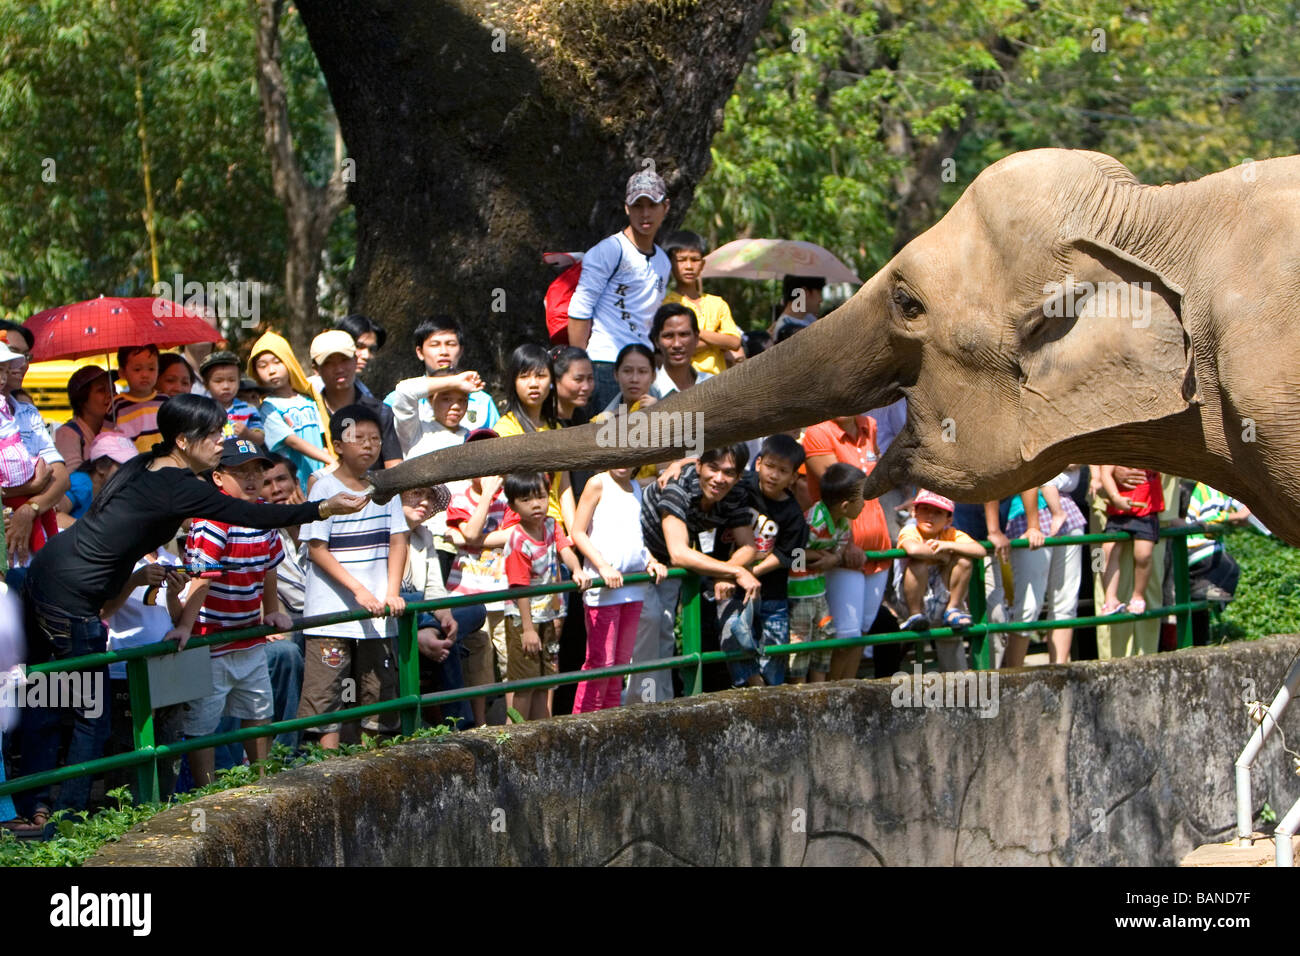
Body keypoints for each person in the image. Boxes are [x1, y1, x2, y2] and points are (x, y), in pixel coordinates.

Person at [16, 395, 363, 819]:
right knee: (92, 716)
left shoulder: (147, 464)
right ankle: (67, 821)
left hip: (50, 575)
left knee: (42, 695)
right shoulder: (179, 486)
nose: (222, 441)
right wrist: (324, 506)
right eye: (214, 434)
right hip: (70, 597)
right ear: (183, 440)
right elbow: (248, 514)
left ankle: (34, 806)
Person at [172, 439, 291, 785]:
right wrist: (185, 627)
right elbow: (201, 578)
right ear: (219, 478)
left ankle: (262, 783)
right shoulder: (213, 520)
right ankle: (207, 792)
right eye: (241, 471)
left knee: (258, 713)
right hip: (210, 642)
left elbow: (270, 567)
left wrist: (271, 611)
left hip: (249, 637)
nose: (252, 479)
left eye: (257, 470)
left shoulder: (264, 518)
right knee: (203, 724)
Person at [298, 405, 408, 749]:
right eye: (358, 438)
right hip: (331, 614)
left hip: (378, 614)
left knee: (376, 693)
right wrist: (359, 591)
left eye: (375, 439)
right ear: (338, 445)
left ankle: (371, 769)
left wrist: (391, 591)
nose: (368, 445)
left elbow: (398, 539)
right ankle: (326, 775)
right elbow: (317, 548)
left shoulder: (384, 488)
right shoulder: (323, 488)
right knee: (325, 697)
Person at [636, 446, 761, 704]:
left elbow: (749, 545)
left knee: (665, 634)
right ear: (699, 466)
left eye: (728, 473)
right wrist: (734, 570)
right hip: (638, 559)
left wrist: (726, 574)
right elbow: (680, 553)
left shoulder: (735, 492)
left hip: (667, 565)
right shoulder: (676, 486)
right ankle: (639, 708)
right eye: (713, 469)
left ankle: (664, 705)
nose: (719, 479)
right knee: (647, 634)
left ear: (738, 477)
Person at [567, 169, 672, 410]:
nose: (645, 214)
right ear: (627, 208)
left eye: (652, 205)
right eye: (637, 206)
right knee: (605, 442)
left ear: (665, 207)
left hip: (643, 370)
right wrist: (579, 365)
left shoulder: (664, 262)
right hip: (605, 364)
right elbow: (580, 307)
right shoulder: (610, 250)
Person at [568, 465, 667, 712]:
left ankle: (611, 721)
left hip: (633, 587)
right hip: (604, 591)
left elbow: (634, 536)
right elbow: (578, 532)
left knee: (620, 665)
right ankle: (584, 723)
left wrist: (651, 560)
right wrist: (602, 566)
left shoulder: (635, 487)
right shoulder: (597, 483)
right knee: (601, 663)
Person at [802, 414, 893, 680]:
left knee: (862, 633)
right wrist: (848, 544)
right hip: (844, 551)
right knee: (846, 635)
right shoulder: (818, 432)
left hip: (879, 549)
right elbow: (837, 492)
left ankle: (848, 698)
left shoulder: (872, 425)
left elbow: (873, 487)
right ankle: (831, 702)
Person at [719, 434, 808, 688]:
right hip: (734, 589)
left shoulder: (793, 515)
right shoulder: (741, 488)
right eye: (769, 466)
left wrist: (752, 571)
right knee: (733, 637)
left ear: (793, 477)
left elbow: (787, 555)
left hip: (772, 594)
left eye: (783, 471)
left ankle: (772, 690)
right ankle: (754, 686)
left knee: (774, 648)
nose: (774, 475)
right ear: (757, 463)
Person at [501, 472, 591, 721]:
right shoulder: (519, 541)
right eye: (527, 500)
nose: (536, 504)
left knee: (545, 680)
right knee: (525, 683)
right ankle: (515, 734)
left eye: (541, 497)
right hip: (523, 619)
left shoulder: (551, 525)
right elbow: (520, 588)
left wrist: (577, 569)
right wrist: (528, 629)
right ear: (513, 506)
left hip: (548, 616)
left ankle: (543, 731)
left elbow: (565, 550)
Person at [401, 484, 477, 730]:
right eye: (416, 493)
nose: (423, 502)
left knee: (475, 610)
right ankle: (460, 723)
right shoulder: (381, 533)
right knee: (450, 645)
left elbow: (435, 590)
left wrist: (444, 618)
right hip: (396, 614)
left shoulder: (423, 536)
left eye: (429, 498)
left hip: (422, 613)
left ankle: (428, 634)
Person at [444, 454, 510, 726]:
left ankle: (512, 722)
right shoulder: (459, 499)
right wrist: (486, 498)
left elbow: (510, 535)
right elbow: (469, 533)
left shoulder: (511, 498)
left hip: (505, 592)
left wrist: (468, 539)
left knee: (510, 662)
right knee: (477, 664)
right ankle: (480, 725)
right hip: (467, 595)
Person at [1000, 470, 1088, 666]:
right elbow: (1027, 472)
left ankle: (1059, 672)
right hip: (1025, 516)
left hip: (1068, 512)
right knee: (1028, 606)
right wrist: (1033, 525)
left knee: (1066, 602)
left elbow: (1075, 461)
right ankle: (1013, 678)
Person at [788, 463, 865, 684]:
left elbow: (839, 548)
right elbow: (793, 555)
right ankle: (799, 694)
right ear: (844, 505)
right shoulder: (814, 522)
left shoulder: (842, 523)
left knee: (825, 637)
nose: (864, 504)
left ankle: (820, 690)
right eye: (861, 500)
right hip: (799, 593)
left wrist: (834, 558)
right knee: (801, 644)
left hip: (818, 591)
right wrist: (817, 557)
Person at [895, 491, 986, 670]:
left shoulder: (950, 534)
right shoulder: (910, 529)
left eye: (937, 512)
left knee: (964, 560)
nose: (930, 516)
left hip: (941, 596)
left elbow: (980, 551)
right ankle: (915, 614)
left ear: (948, 519)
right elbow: (913, 550)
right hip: (912, 598)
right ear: (915, 512)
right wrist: (944, 558)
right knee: (918, 564)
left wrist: (948, 546)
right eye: (925, 510)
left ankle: (953, 609)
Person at [493, 343, 573, 528]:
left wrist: (573, 535)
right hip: (521, 528)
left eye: (541, 376)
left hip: (556, 528)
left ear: (552, 381)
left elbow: (564, 488)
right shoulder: (505, 429)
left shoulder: (558, 430)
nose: (534, 384)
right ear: (513, 382)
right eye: (524, 376)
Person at [260, 452, 309, 751]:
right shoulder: (258, 530)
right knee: (289, 649)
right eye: (267, 483)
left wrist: (299, 525)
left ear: (296, 483)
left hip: (322, 616)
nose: (276, 489)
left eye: (282, 480)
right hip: (287, 624)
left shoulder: (317, 524)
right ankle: (287, 751)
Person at [2, 346, 68, 567]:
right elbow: (47, 477)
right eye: (12, 356)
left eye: (24, 357)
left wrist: (30, 508)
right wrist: (34, 486)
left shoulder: (28, 414)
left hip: (36, 531)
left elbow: (60, 476)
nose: (21, 364)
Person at [249, 331, 335, 490]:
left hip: (323, 478)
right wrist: (331, 460)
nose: (271, 370)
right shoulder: (267, 408)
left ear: (289, 362)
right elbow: (293, 441)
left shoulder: (310, 400)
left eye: (277, 362)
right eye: (263, 366)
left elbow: (323, 438)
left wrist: (330, 462)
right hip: (295, 485)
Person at [386, 315, 498, 437]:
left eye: (451, 344)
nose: (444, 352)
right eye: (435, 345)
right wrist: (454, 382)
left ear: (460, 351)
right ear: (420, 352)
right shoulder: (395, 400)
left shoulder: (482, 401)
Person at [311, 330, 401, 470]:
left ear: (355, 360)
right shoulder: (309, 415)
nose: (339, 368)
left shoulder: (380, 412)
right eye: (329, 363)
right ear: (316, 369)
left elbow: (394, 468)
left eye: (344, 360)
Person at [661, 230, 742, 374]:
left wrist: (694, 333)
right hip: (684, 382)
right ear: (670, 263)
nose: (689, 266)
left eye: (694, 259)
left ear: (702, 264)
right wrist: (718, 339)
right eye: (681, 260)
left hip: (717, 381)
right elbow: (677, 349)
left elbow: (734, 342)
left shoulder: (717, 303)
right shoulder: (667, 305)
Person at [1098, 465, 1165, 616]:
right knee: (1102, 553)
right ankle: (1109, 598)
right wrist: (1115, 497)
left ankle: (1138, 596)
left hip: (1146, 510)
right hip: (1117, 510)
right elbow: (1105, 472)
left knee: (1144, 555)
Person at [56, 430, 138, 526]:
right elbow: (55, 516)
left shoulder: (119, 493)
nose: (130, 472)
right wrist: (93, 533)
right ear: (101, 466)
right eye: (123, 466)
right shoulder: (80, 483)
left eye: (133, 466)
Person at [54, 365, 115, 470]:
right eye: (101, 390)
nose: (111, 395)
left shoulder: (115, 429)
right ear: (82, 400)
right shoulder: (67, 434)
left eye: (112, 389)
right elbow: (74, 478)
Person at [200, 351, 265, 446]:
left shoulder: (248, 409)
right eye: (218, 381)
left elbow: (260, 438)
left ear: (239, 381)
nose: (226, 386)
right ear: (206, 384)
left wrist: (248, 434)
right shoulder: (201, 410)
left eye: (232, 380)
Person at [649, 303, 713, 399]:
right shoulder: (648, 390)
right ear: (656, 341)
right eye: (668, 336)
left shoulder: (711, 384)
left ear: (696, 338)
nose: (677, 344)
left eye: (683, 334)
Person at [110, 344, 166, 452]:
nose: (145, 374)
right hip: (132, 463)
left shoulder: (164, 401)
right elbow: (107, 437)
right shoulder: (117, 404)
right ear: (122, 373)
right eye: (137, 369)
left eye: (151, 369)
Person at [769, 275, 825, 340]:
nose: (821, 299)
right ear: (804, 292)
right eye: (819, 292)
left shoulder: (810, 318)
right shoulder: (785, 329)